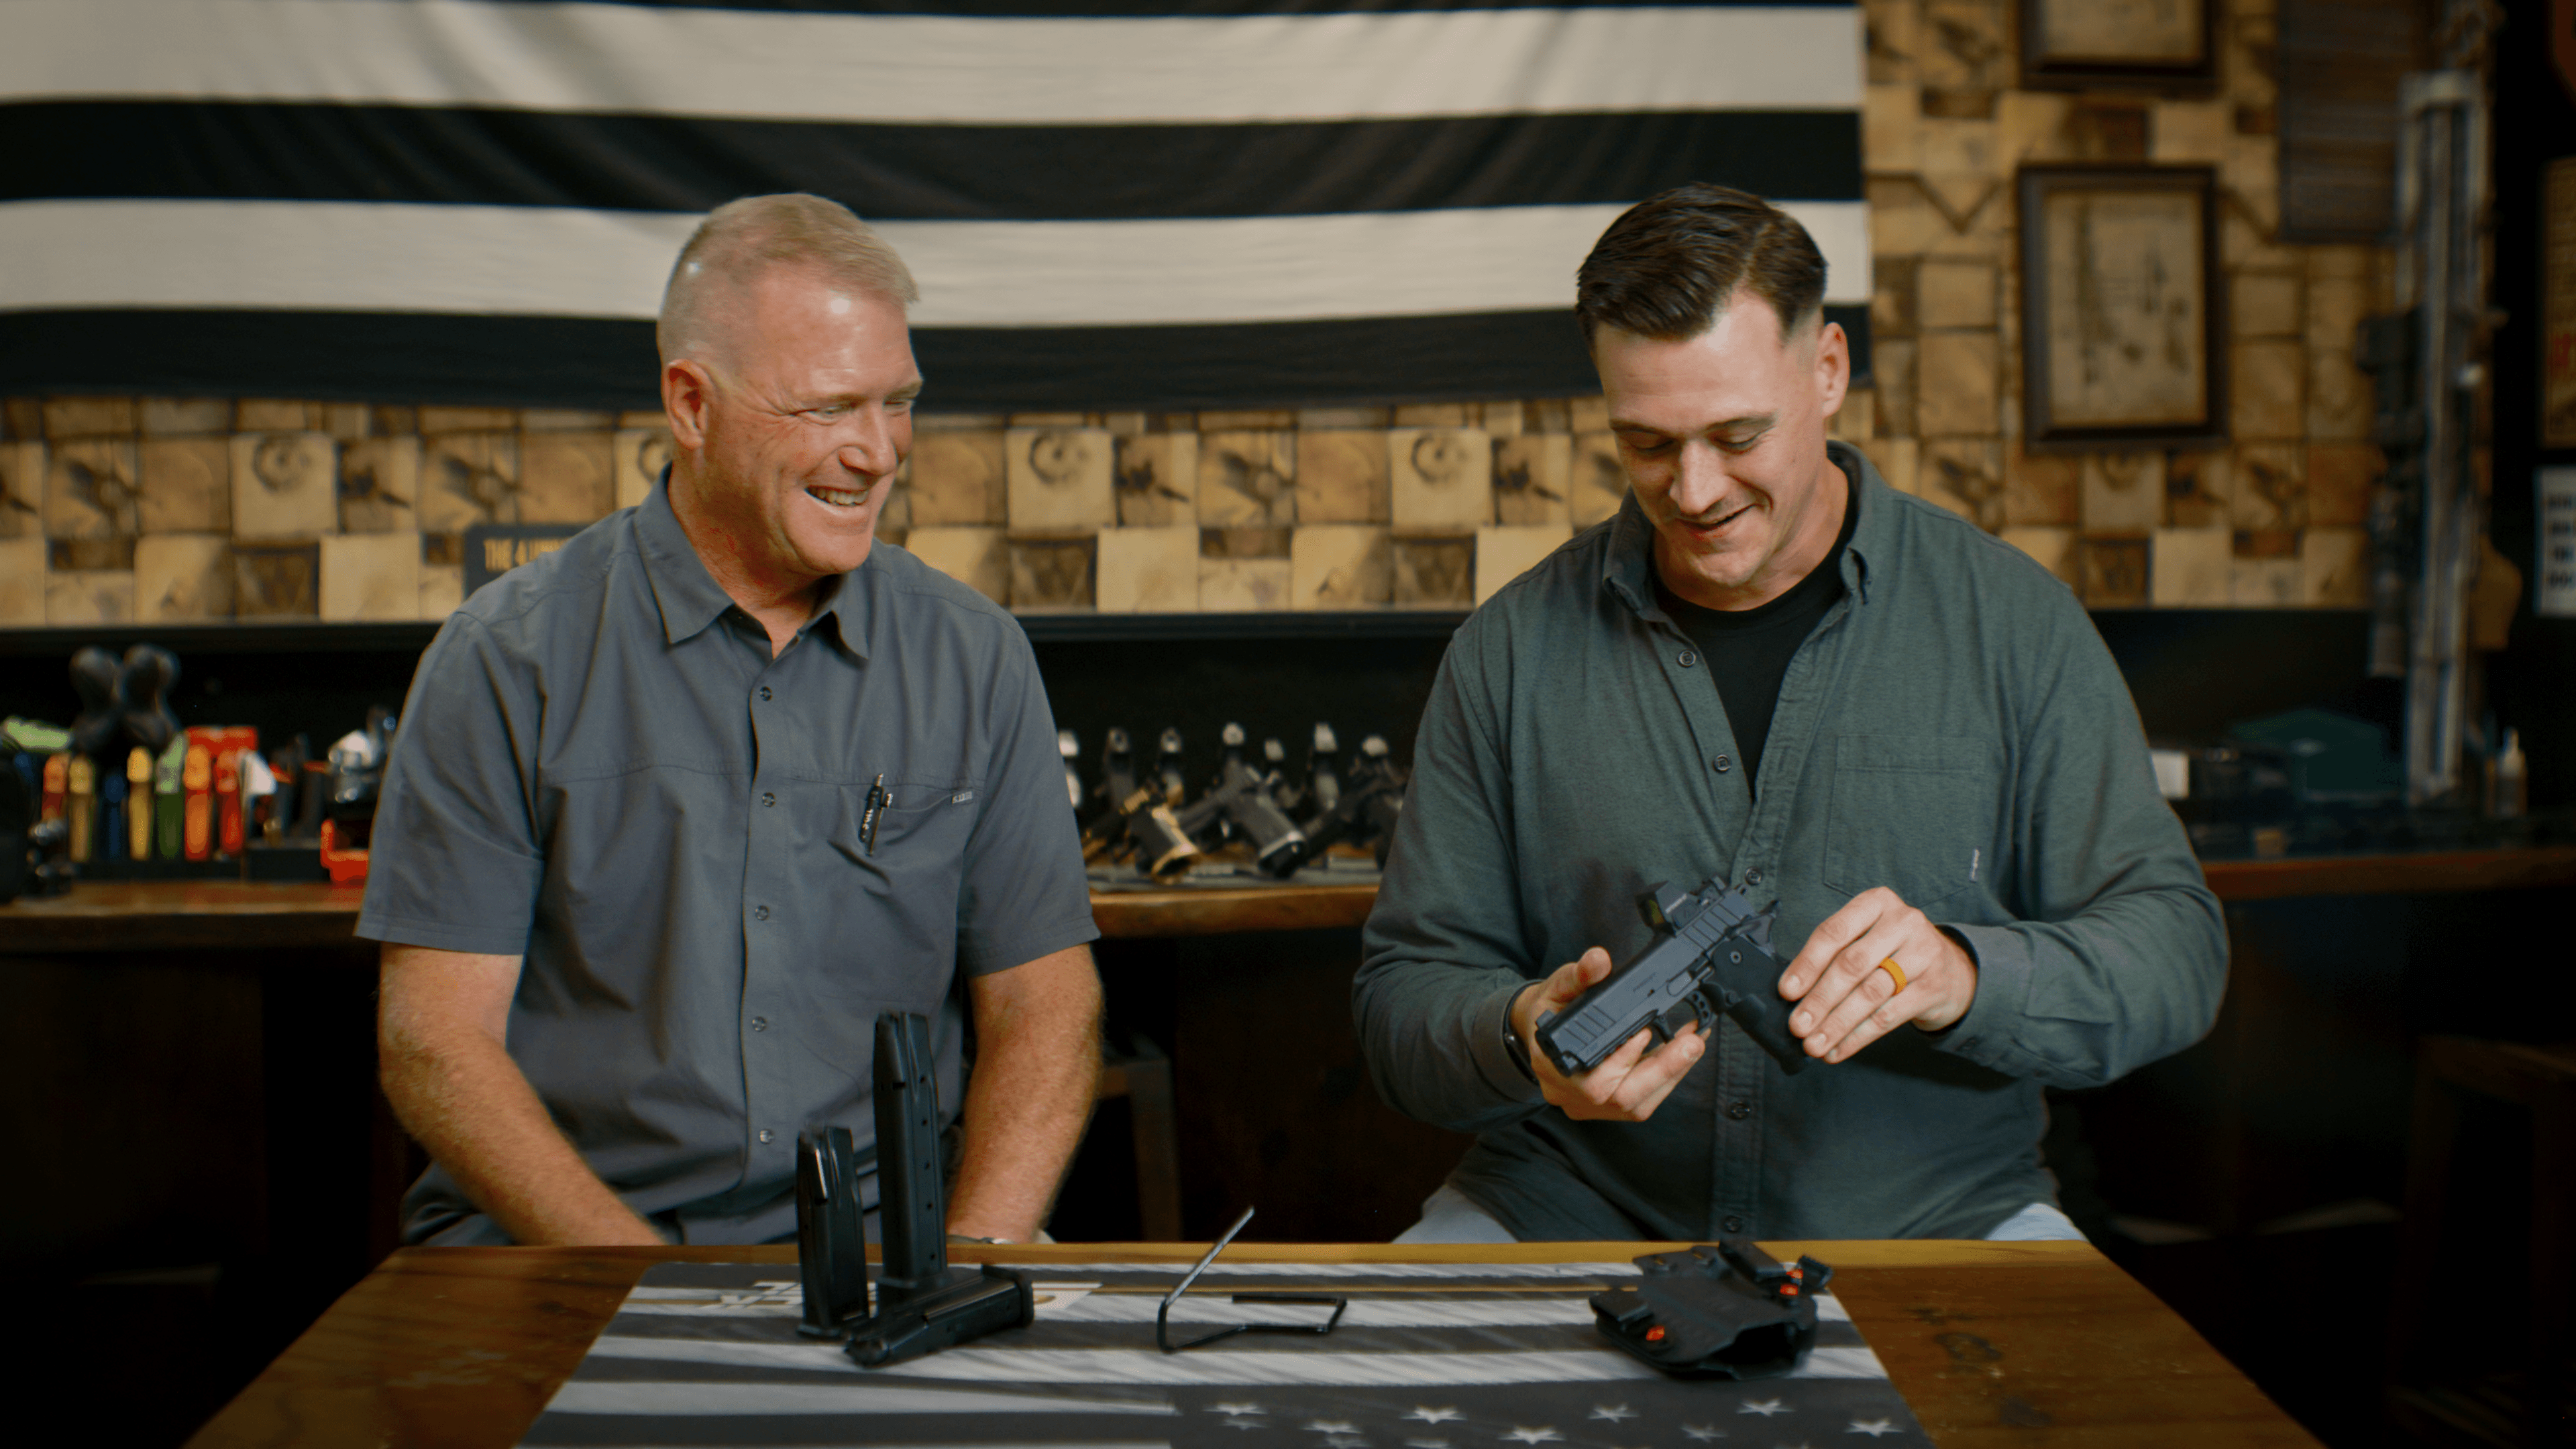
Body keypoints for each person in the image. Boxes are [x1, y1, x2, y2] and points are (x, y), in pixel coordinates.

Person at [1352, 184, 2226, 1243]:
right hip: (1567, 1208)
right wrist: (1522, 1033)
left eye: (1737, 433)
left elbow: (2177, 958)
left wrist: (1960, 974)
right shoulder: (1507, 652)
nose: (1694, 489)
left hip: (1935, 1219)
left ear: (1829, 373)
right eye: (1646, 444)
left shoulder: (2015, 625)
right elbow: (1400, 1003)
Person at [364, 194, 1104, 1246]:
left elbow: (1046, 1011)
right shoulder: (501, 660)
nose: (879, 452)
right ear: (692, 405)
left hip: (892, 1249)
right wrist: (645, 1291)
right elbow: (435, 1043)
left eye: (899, 402)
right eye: (827, 408)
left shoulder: (975, 657)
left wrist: (970, 1262)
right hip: (561, 1247)